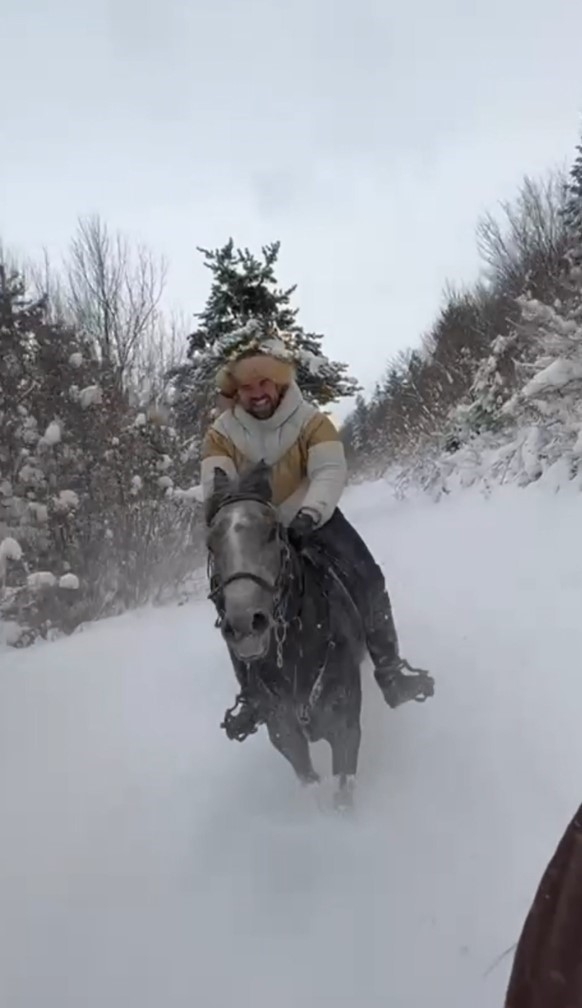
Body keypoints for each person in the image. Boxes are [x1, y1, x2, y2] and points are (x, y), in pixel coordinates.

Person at [201, 339, 434, 737]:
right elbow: (216, 483)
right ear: (236, 392)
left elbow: (329, 470)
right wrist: (241, 522)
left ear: (278, 383)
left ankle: (390, 671)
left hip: (312, 517)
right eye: (246, 387)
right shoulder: (221, 433)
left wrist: (310, 513)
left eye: (264, 383)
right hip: (254, 532)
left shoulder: (311, 421)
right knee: (232, 601)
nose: (257, 393)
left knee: (367, 577)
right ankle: (253, 695)